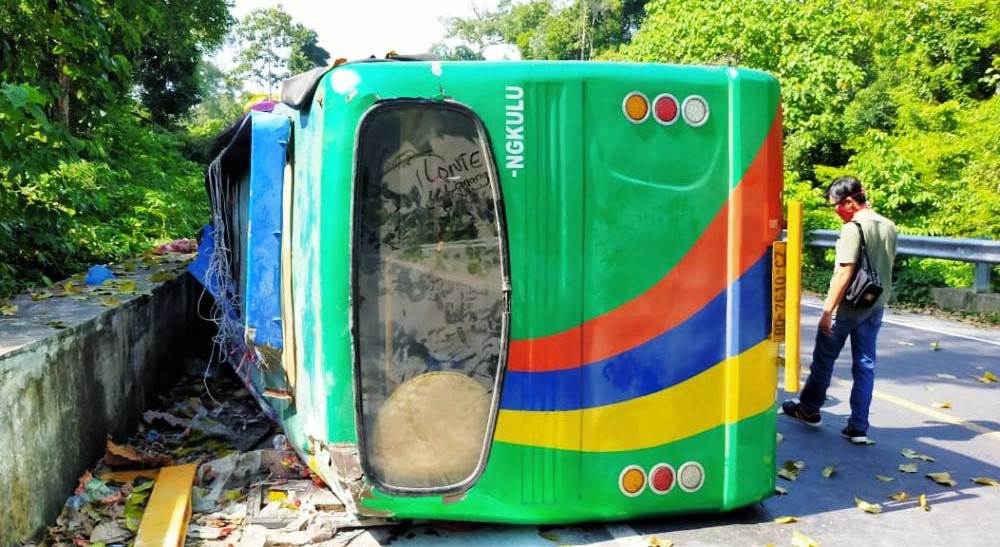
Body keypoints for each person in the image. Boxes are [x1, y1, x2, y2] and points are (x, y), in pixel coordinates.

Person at [782, 175, 897, 444]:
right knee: (866, 365)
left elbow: (844, 274)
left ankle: (809, 410)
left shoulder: (852, 228)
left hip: (846, 307)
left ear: (848, 202)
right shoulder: (889, 225)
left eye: (835, 205)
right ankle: (858, 427)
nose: (835, 211)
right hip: (874, 305)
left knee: (824, 360)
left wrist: (826, 312)